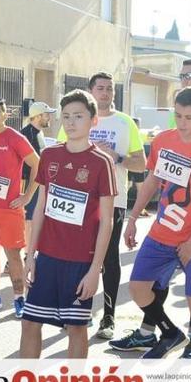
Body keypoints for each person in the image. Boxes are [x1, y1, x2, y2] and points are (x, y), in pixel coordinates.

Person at [111, 58, 191, 357]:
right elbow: (151, 181)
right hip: (161, 233)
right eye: (179, 116)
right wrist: (133, 218)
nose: (183, 124)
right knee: (138, 287)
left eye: (189, 118)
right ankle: (170, 333)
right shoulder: (164, 140)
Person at [19, 90, 116, 359]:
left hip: (80, 263)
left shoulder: (101, 162)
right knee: (29, 323)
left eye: (78, 116)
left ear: (93, 121)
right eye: (66, 117)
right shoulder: (50, 156)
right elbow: (40, 208)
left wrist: (95, 270)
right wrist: (31, 255)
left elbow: (107, 221)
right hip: (47, 257)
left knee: (75, 328)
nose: (71, 122)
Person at [56, 73, 146, 340]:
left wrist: (116, 156)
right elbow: (62, 153)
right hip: (77, 200)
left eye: (109, 89)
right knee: (74, 254)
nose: (105, 92)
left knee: (108, 258)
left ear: (113, 94)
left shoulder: (124, 122)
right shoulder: (76, 117)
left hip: (113, 199)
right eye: (100, 88)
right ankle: (74, 310)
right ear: (91, 91)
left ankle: (108, 317)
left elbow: (141, 164)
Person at [0, 98, 39, 318]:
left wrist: (27, 196)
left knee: (13, 255)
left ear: (5, 115)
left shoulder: (15, 138)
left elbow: (38, 165)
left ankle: (19, 298)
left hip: (10, 208)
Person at [19, 102, 56, 252]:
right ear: (38, 116)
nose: (49, 118)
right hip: (28, 182)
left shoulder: (39, 132)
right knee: (29, 219)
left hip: (38, 182)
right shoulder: (26, 134)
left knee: (33, 219)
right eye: (47, 115)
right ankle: (26, 253)